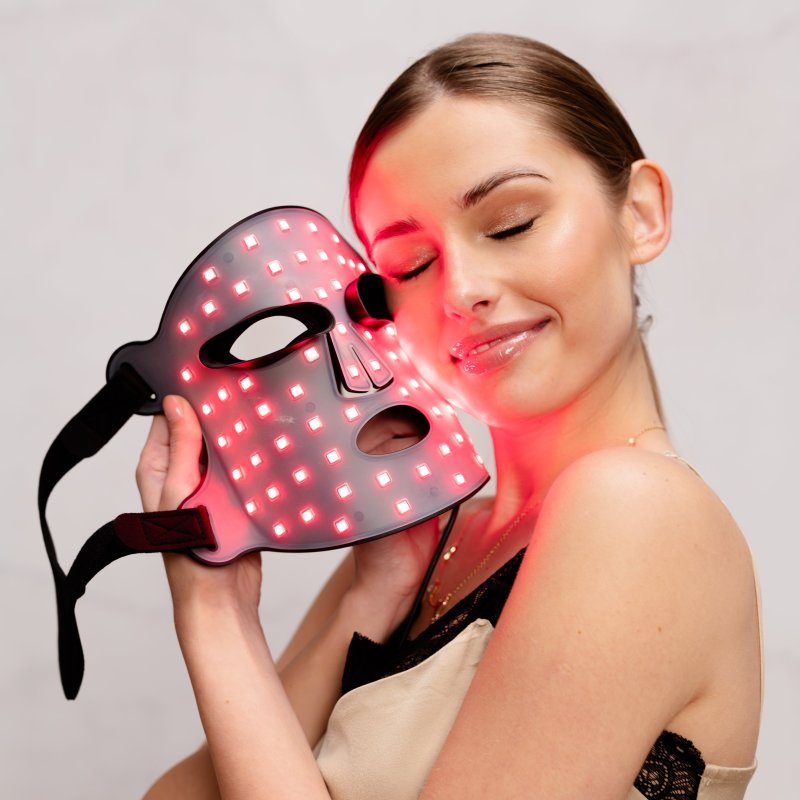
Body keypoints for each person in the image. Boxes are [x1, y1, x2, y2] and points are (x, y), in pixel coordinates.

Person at [137, 33, 761, 799]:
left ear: (640, 213)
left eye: (511, 223)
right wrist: (366, 603)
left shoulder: (636, 509)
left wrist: (216, 619)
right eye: (410, 265)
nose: (461, 290)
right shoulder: (427, 542)